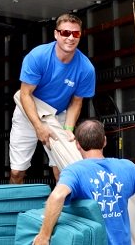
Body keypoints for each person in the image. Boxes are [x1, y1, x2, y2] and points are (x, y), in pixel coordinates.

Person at [33, 119, 135, 245]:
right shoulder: (128, 167)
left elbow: (57, 196)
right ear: (104, 141)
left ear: (77, 144)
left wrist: (43, 236)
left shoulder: (74, 172)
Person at [9, 13, 95, 183]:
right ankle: (12, 208)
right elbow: (25, 94)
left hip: (58, 115)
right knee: (17, 172)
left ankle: (63, 208)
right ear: (56, 34)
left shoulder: (86, 68)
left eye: (75, 34)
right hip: (29, 111)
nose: (70, 38)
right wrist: (38, 126)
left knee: (62, 169)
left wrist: (69, 130)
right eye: (65, 33)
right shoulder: (38, 56)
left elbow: (76, 102)